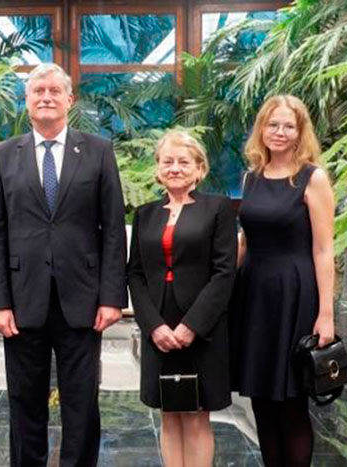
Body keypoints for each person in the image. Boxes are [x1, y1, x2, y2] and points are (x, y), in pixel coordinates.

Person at [0, 63, 127, 467]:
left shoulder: (98, 151)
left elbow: (113, 227)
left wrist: (111, 297)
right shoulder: (3, 155)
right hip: (21, 300)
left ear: (69, 99)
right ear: (26, 102)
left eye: (53, 91)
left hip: (82, 299)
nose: (45, 97)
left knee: (82, 402)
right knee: (24, 401)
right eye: (37, 91)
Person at [231, 95, 335, 466]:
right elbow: (245, 239)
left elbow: (324, 250)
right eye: (272, 124)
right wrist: (220, 284)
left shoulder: (312, 178)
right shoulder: (251, 177)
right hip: (254, 295)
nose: (279, 132)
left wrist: (326, 315)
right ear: (261, 128)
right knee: (260, 399)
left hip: (295, 295)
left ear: (300, 131)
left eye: (288, 125)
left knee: (291, 403)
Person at [127, 130, 237, 467]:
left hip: (201, 326)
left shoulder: (217, 208)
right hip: (158, 325)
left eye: (183, 162)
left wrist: (191, 326)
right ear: (158, 168)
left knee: (196, 414)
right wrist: (153, 326)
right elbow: (135, 273)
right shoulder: (145, 214)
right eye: (167, 161)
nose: (175, 168)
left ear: (199, 169)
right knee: (169, 412)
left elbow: (224, 272)